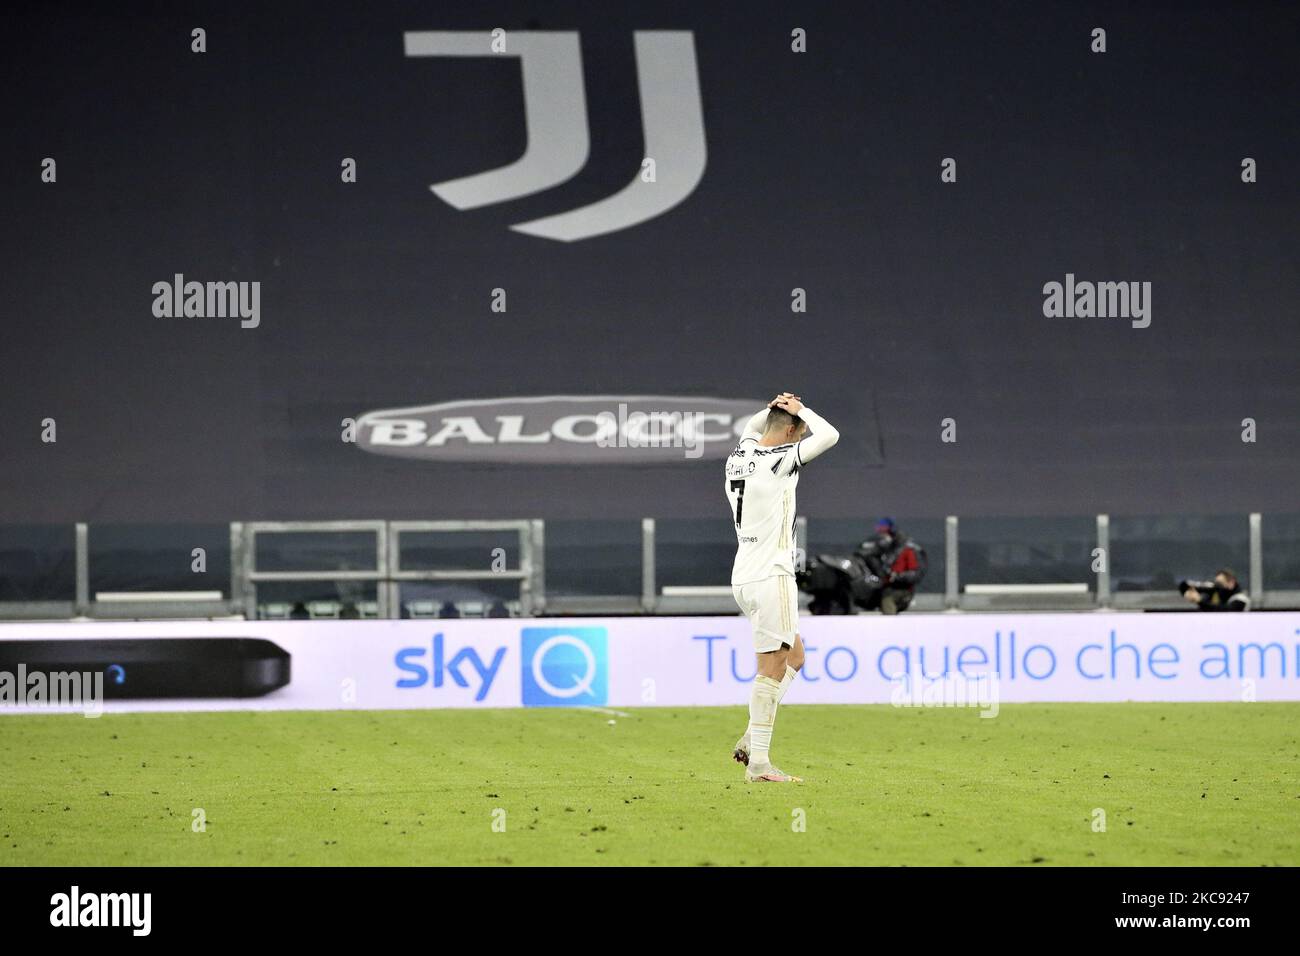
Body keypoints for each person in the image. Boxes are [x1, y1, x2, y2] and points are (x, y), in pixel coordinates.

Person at [725, 392, 839, 783]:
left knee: (795, 657)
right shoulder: (778, 461)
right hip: (771, 573)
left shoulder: (741, 453)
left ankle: (750, 740)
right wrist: (801, 409)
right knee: (771, 668)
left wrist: (779, 407)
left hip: (744, 574)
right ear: (790, 432)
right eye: (797, 432)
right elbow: (831, 436)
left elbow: (758, 425)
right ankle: (758, 764)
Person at [855, 518, 927, 614]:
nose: (881, 535)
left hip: (902, 590)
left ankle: (890, 625)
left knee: (887, 600)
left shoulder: (907, 549)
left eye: (884, 530)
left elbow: (915, 573)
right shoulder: (884, 548)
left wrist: (896, 576)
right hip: (882, 587)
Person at [1180, 568, 1250, 611]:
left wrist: (1200, 601)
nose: (1217, 586)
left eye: (1220, 583)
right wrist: (1190, 592)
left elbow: (1225, 611)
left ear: (1231, 583)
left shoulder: (1240, 599)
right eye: (1216, 583)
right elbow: (1186, 586)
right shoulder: (1214, 589)